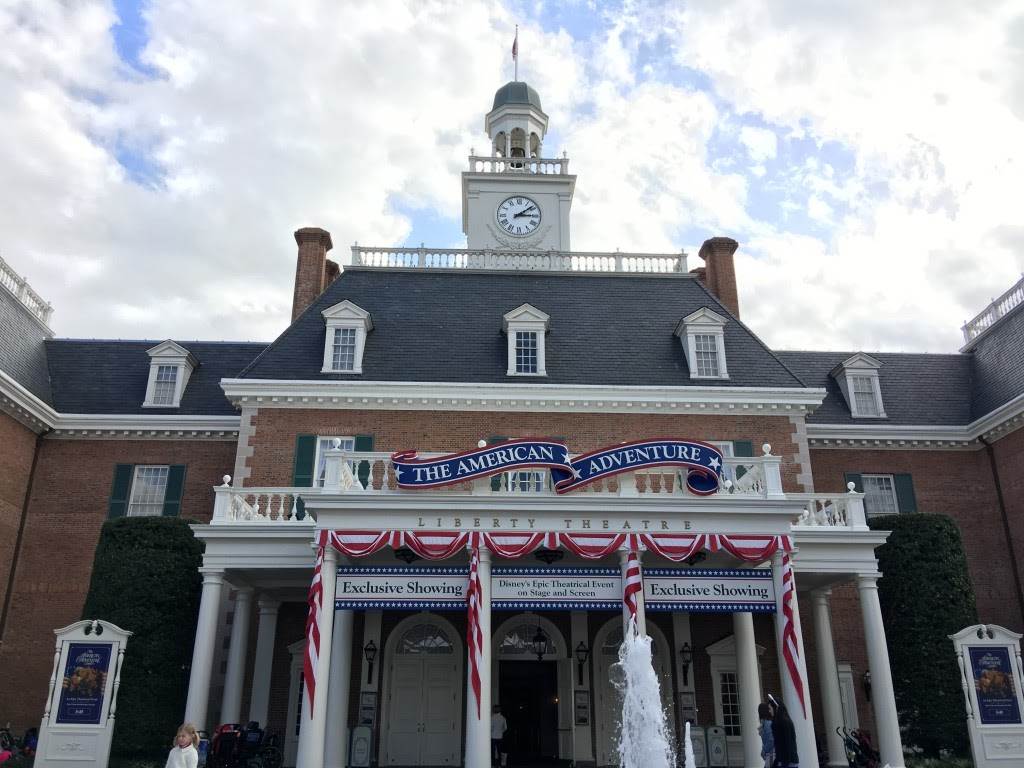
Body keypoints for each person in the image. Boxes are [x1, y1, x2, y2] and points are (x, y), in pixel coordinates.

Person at [768, 696, 799, 768]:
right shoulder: (780, 722)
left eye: (770, 709)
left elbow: (788, 743)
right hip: (784, 762)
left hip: (788, 763)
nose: (769, 711)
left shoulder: (784, 722)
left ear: (775, 708)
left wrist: (784, 763)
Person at [758, 702, 775, 768]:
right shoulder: (766, 723)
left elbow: (771, 739)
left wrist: (764, 750)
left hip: (771, 754)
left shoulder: (768, 723)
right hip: (770, 754)